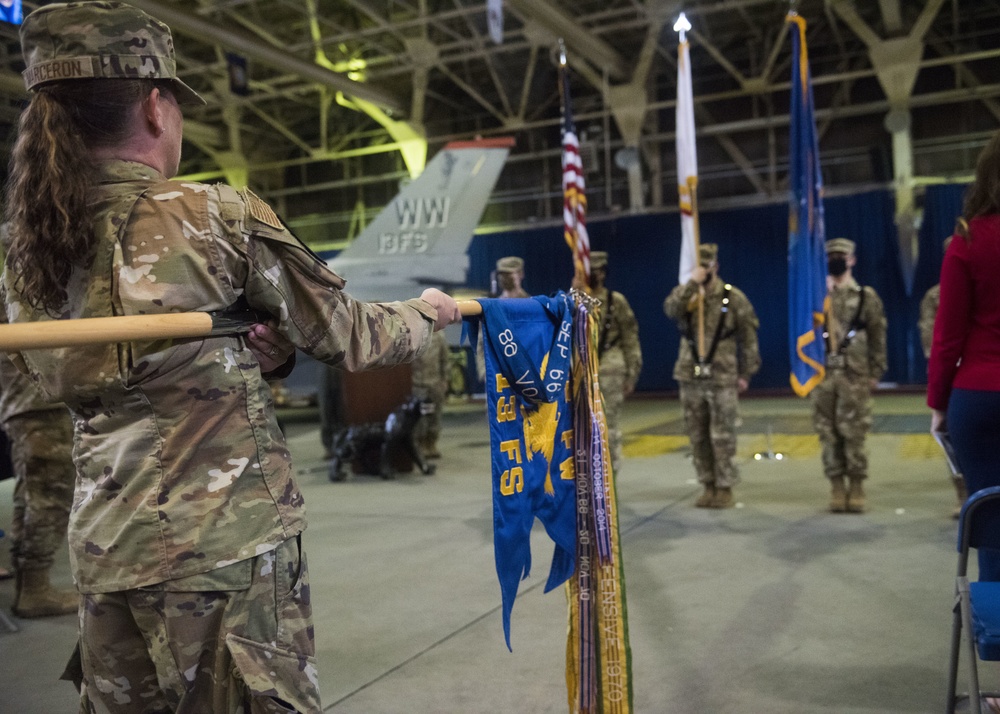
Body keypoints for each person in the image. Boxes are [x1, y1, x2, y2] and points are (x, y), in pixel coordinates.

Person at [2, 3, 460, 712]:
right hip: (221, 557)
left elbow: (100, 374)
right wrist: (432, 312)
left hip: (105, 558)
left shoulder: (25, 247)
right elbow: (353, 336)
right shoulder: (214, 215)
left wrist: (258, 357)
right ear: (156, 108)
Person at [929, 130, 1000, 581]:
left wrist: (938, 404)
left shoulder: (969, 240)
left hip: (979, 398)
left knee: (992, 523)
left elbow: (947, 338)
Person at [663, 243, 760, 508]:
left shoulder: (732, 298)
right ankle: (707, 484)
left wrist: (746, 372)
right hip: (690, 374)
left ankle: (725, 486)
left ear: (715, 267)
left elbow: (749, 336)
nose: (702, 271)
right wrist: (691, 286)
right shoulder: (686, 296)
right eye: (698, 267)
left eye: (705, 267)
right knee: (697, 434)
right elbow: (671, 310)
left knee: (723, 434)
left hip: (722, 375)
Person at [0, 352, 78, 618]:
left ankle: (30, 585)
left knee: (34, 493)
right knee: (50, 494)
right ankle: (34, 589)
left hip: (33, 396)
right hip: (37, 399)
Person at [813, 237, 887, 513]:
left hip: (854, 373)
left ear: (852, 259)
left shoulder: (866, 296)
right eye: (831, 255)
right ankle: (836, 485)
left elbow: (878, 335)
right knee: (827, 432)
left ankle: (856, 485)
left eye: (841, 255)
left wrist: (876, 370)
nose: (836, 259)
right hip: (823, 374)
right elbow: (804, 334)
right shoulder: (815, 296)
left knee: (854, 431)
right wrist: (823, 296)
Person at [918, 236, 966, 518]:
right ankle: (962, 493)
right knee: (951, 435)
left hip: (980, 373)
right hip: (953, 374)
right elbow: (931, 339)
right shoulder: (935, 296)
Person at [588, 251, 642, 475]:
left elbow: (630, 337)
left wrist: (632, 374)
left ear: (602, 273)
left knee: (608, 427)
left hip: (610, 371)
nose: (591, 275)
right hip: (582, 373)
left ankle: (609, 478)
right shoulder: (573, 300)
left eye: (595, 271)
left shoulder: (615, 301)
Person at [477, 255, 529, 383]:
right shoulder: (492, 308)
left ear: (521, 274)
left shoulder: (531, 305)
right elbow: (482, 343)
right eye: (501, 274)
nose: (504, 278)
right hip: (499, 377)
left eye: (509, 274)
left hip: (528, 376)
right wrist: (485, 373)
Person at [412, 329, 450, 459]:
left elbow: (444, 359)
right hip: (417, 384)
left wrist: (445, 379)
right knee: (420, 417)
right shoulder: (412, 333)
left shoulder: (439, 336)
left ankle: (431, 444)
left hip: (435, 383)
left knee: (434, 415)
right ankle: (420, 444)